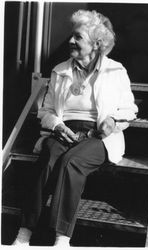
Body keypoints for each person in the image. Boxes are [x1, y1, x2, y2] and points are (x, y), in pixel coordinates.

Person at [13, 9, 138, 247]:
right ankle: (24, 234)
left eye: (78, 37)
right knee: (49, 157)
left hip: (99, 136)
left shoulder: (115, 70)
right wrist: (57, 125)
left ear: (96, 44)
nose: (71, 41)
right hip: (63, 131)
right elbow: (45, 111)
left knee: (72, 162)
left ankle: (61, 238)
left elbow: (129, 109)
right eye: (73, 35)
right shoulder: (60, 70)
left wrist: (112, 121)